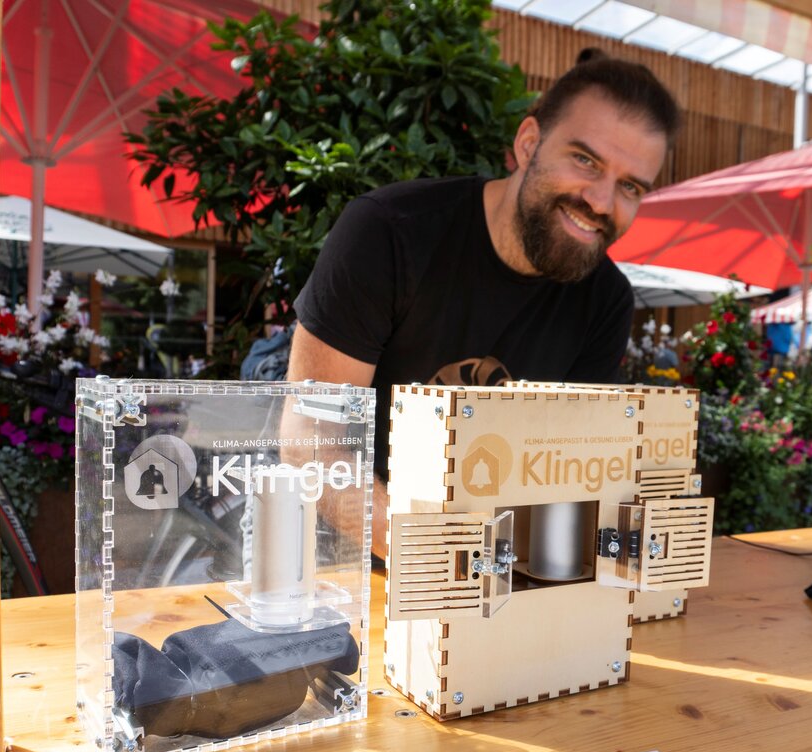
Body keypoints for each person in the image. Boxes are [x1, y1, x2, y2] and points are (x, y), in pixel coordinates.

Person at [286, 53, 680, 558]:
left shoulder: (606, 300)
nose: (603, 202)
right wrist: (445, 557)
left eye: (630, 187)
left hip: (501, 576)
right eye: (585, 160)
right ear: (528, 143)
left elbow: (577, 471)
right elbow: (310, 441)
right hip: (340, 566)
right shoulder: (389, 232)